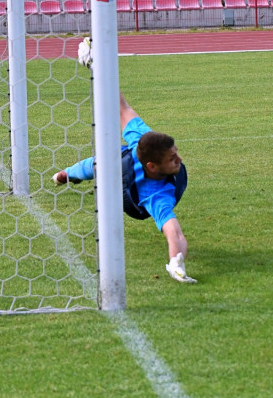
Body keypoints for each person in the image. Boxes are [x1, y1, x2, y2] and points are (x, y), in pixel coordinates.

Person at [53, 39, 196, 283]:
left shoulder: (148, 154)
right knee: (98, 165)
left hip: (131, 181)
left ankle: (70, 174)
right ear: (152, 166)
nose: (180, 160)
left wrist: (176, 261)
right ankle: (67, 174)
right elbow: (176, 233)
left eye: (177, 153)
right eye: (173, 159)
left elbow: (121, 106)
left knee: (105, 163)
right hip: (126, 182)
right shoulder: (149, 176)